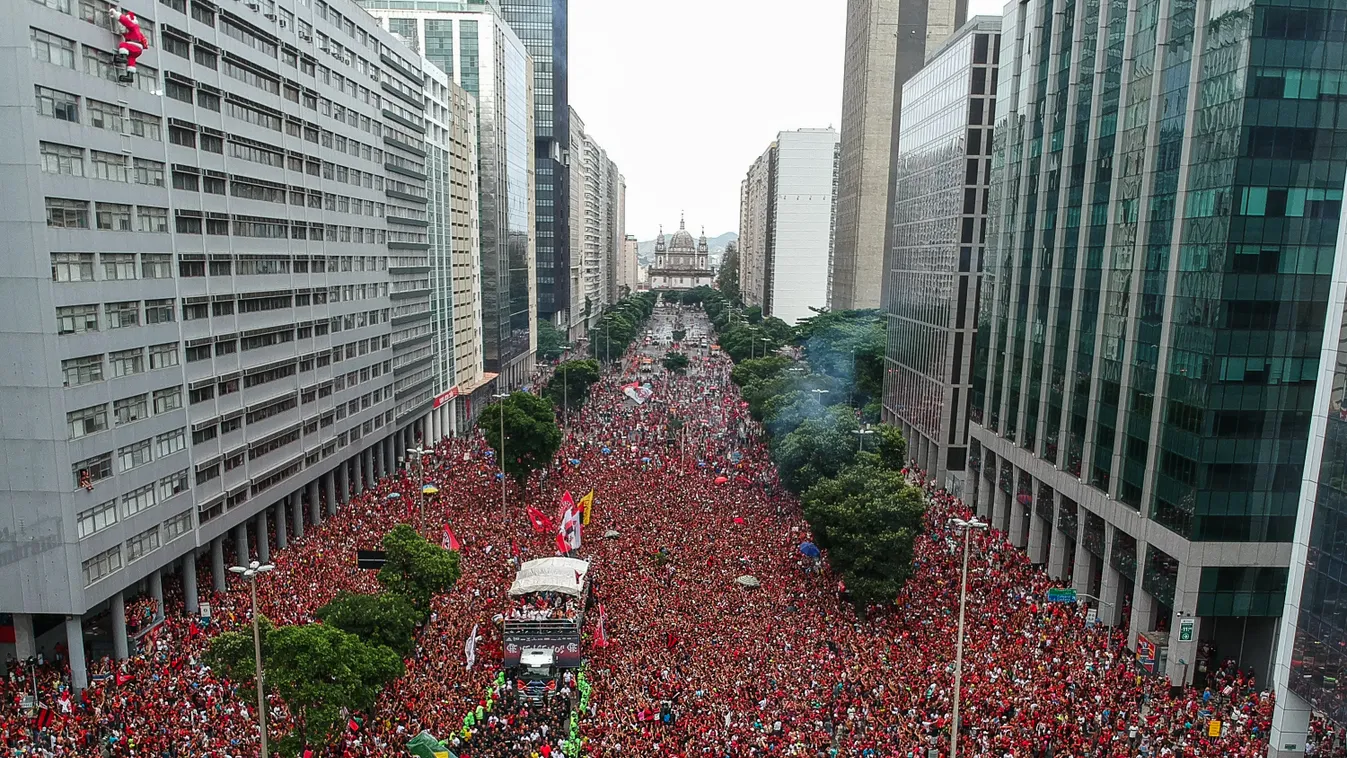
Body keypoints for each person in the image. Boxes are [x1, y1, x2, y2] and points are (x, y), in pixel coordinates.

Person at [110, 8, 149, 77]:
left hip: (135, 45)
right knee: (131, 59)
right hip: (137, 50)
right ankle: (129, 76)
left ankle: (123, 57)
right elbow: (123, 30)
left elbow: (125, 21)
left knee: (123, 45)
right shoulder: (133, 31)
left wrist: (116, 14)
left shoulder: (133, 27)